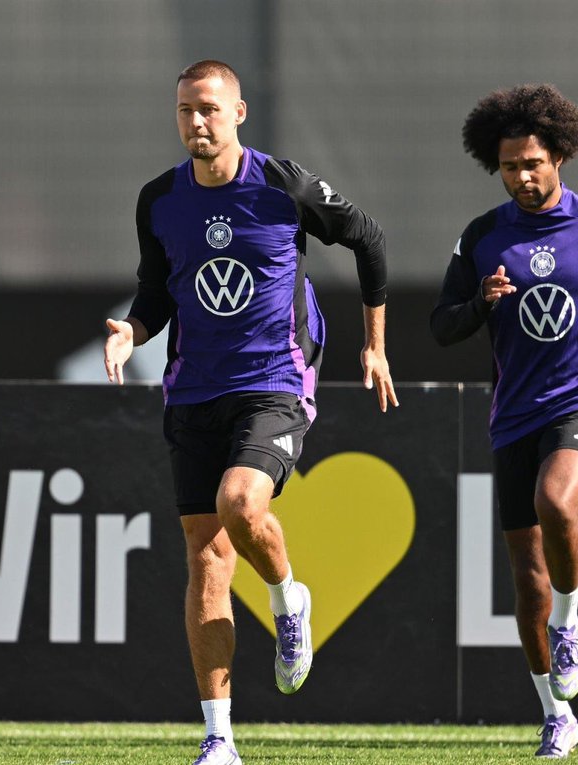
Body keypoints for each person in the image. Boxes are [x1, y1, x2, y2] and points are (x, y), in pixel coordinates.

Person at [103, 59, 398, 765]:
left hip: (274, 381)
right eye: (184, 111)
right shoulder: (158, 200)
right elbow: (156, 292)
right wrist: (131, 330)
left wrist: (376, 346)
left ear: (238, 113)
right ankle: (219, 738)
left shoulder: (282, 185)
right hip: (194, 387)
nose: (196, 122)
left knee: (241, 500)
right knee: (206, 560)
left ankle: (287, 594)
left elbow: (370, 239)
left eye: (208, 108)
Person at [431, 83, 578, 758]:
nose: (524, 176)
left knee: (556, 498)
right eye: (511, 167)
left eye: (534, 163)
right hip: (514, 414)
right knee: (527, 575)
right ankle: (555, 714)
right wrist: (481, 302)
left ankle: (571, 624)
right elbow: (442, 325)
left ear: (559, 156)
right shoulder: (483, 237)